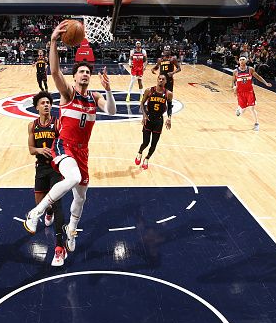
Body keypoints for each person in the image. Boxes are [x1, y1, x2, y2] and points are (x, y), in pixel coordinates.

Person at [23, 20, 117, 255]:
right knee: (73, 177)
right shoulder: (68, 93)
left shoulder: (95, 97)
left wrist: (108, 90)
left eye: (88, 72)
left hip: (83, 151)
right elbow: (54, 71)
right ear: (74, 77)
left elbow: (112, 111)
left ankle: (72, 229)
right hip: (63, 145)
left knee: (81, 196)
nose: (85, 74)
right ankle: (36, 212)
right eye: (81, 72)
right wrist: (53, 41)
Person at [28, 91, 67, 266]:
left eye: (48, 103)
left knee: (58, 204)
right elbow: (30, 149)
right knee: (40, 204)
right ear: (36, 106)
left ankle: (60, 248)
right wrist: (39, 150)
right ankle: (48, 211)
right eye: (43, 103)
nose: (46, 105)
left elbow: (65, 144)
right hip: (41, 168)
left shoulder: (58, 123)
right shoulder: (32, 125)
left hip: (56, 168)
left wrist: (55, 153)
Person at [135, 74, 173, 170]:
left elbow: (169, 108)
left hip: (159, 121)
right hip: (148, 119)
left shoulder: (168, 94)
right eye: (159, 79)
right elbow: (142, 103)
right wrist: (144, 115)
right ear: (157, 80)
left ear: (165, 81)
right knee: (145, 142)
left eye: (163, 79)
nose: (160, 80)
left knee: (154, 144)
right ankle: (140, 152)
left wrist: (169, 118)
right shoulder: (149, 90)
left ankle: (147, 159)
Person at [233, 56, 272, 131]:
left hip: (249, 92)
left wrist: (266, 83)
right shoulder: (235, 71)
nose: (241, 61)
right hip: (240, 92)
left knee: (252, 108)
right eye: (240, 59)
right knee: (243, 110)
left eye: (243, 59)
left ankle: (256, 124)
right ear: (238, 61)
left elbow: (258, 77)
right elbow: (234, 81)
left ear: (246, 61)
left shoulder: (250, 69)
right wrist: (234, 89)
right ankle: (239, 109)